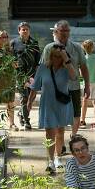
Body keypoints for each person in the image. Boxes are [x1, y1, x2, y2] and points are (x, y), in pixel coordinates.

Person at [27, 44, 76, 174]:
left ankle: (58, 158)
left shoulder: (67, 68)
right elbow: (35, 86)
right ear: (50, 56)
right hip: (47, 104)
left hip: (62, 104)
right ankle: (50, 161)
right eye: (55, 56)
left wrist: (67, 60)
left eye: (60, 56)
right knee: (49, 133)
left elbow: (74, 77)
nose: (57, 59)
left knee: (60, 132)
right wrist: (29, 101)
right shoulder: (43, 68)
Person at [40, 20, 90, 145]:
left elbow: (83, 67)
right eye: (62, 31)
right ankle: (59, 144)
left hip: (73, 87)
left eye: (67, 31)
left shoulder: (77, 47)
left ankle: (73, 136)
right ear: (56, 32)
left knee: (76, 114)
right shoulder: (49, 48)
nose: (64, 33)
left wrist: (87, 86)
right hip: (56, 88)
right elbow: (43, 68)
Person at [10, 21, 41, 130]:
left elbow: (38, 59)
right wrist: (13, 64)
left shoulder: (34, 42)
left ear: (29, 31)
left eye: (27, 29)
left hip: (32, 75)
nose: (25, 31)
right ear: (19, 31)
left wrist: (38, 73)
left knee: (30, 98)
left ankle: (21, 113)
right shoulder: (14, 42)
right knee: (24, 97)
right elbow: (10, 57)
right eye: (23, 29)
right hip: (20, 75)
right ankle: (27, 121)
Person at [0, 30, 18, 131]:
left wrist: (15, 65)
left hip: (9, 79)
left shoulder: (10, 50)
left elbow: (14, 62)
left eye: (6, 37)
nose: (4, 39)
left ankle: (12, 123)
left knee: (10, 101)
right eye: (2, 37)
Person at [80, 39, 95, 129]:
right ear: (93, 47)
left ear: (83, 48)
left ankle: (83, 120)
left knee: (84, 101)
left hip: (86, 82)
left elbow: (81, 73)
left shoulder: (83, 59)